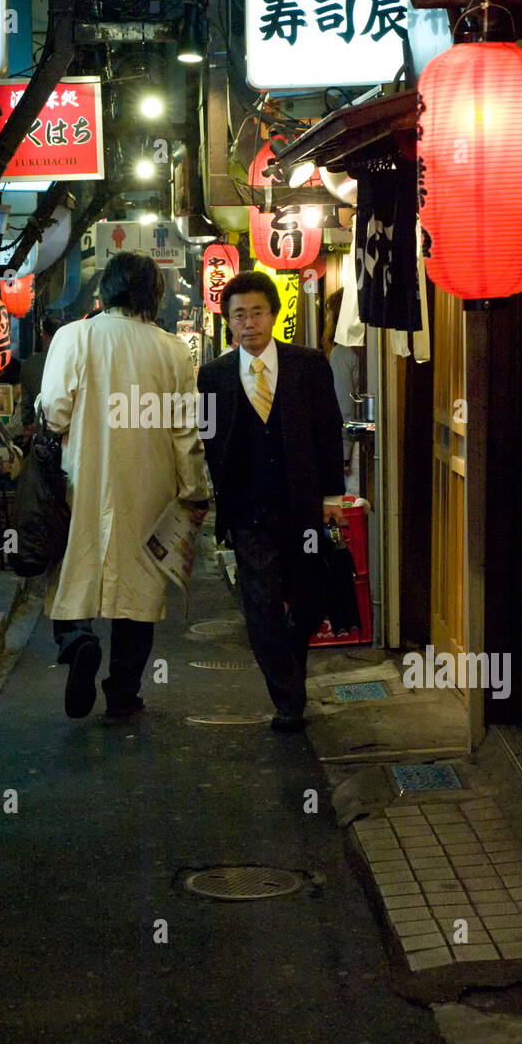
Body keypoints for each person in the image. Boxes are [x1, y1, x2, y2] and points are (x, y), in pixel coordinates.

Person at [40, 251, 209, 721]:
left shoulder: (75, 337)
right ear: (153, 296)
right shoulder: (173, 350)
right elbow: (184, 430)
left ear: (105, 290)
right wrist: (194, 488)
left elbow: (54, 411)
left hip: (85, 477)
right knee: (139, 587)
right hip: (150, 486)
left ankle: (78, 642)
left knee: (77, 567)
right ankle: (122, 694)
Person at [197, 270, 346, 732]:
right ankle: (288, 701)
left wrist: (332, 496)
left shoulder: (309, 365)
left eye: (257, 312)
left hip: (302, 506)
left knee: (309, 600)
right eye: (238, 315)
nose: (248, 323)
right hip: (248, 510)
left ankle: (289, 669)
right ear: (229, 322)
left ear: (274, 315)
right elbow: (207, 439)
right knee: (260, 604)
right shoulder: (213, 375)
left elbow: (329, 428)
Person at [323, 288, 360, 478]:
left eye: (330, 312)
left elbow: (344, 406)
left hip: (355, 446)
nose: (327, 318)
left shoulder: (342, 353)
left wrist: (343, 455)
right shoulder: (359, 348)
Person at [20, 315, 60, 433]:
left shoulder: (30, 364)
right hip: (70, 432)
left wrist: (27, 424)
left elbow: (26, 406)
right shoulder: (74, 361)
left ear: (44, 335)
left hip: (41, 431)